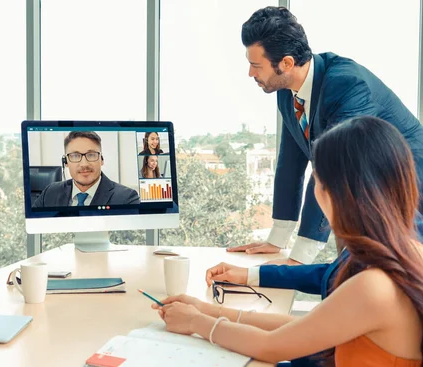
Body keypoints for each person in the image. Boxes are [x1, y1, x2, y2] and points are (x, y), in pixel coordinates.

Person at [154, 117, 423, 366]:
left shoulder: (374, 286)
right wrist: (205, 311)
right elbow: (306, 329)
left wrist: (197, 322)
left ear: (339, 194)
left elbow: (273, 347)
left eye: (317, 181)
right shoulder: (409, 254)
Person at [229, 6, 423, 265]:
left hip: (408, 192)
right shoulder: (287, 90)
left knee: (399, 283)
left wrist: (299, 257)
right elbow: (291, 163)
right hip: (364, 194)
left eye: (255, 65)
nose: (251, 74)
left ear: (286, 63)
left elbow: (330, 170)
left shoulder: (346, 85)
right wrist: (278, 238)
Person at [33, 131, 141, 207]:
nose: (84, 164)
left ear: (101, 159)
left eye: (91, 155)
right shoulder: (50, 193)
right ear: (66, 162)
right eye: (75, 156)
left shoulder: (127, 198)